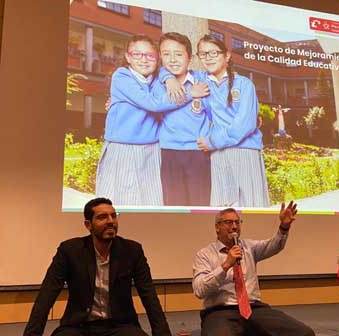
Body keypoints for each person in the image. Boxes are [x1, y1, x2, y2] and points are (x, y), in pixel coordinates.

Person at [14, 197, 179, 336]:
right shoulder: (70, 251)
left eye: (113, 215)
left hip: (120, 325)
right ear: (88, 225)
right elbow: (45, 298)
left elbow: (149, 295)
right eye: (102, 217)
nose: (111, 221)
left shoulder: (132, 251)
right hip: (78, 327)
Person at [192, 202, 320, 336]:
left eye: (237, 222)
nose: (234, 227)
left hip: (254, 308)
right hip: (222, 312)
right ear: (217, 227)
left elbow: (274, 245)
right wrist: (225, 265)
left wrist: (284, 226)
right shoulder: (205, 254)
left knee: (304, 334)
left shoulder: (248, 247)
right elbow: (199, 289)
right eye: (228, 222)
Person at [96, 34, 207, 206]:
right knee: (122, 200)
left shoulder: (156, 79)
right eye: (137, 54)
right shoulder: (122, 76)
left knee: (152, 200)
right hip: (124, 149)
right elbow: (152, 103)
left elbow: (165, 70)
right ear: (127, 57)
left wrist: (168, 78)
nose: (144, 60)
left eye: (150, 56)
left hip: (152, 150)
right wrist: (189, 93)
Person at [192, 35, 271, 208]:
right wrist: (169, 81)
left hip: (244, 150)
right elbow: (172, 70)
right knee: (223, 208)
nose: (208, 58)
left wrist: (212, 141)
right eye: (203, 54)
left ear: (227, 56)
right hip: (218, 154)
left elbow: (245, 124)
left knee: (251, 204)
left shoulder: (244, 84)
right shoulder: (202, 83)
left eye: (213, 52)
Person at [154, 32, 212, 206]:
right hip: (169, 151)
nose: (172, 60)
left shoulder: (202, 79)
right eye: (166, 54)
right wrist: (167, 77)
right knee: (173, 204)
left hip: (198, 152)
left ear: (190, 57)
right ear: (160, 57)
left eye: (179, 54)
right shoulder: (158, 83)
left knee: (200, 203)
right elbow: (155, 105)